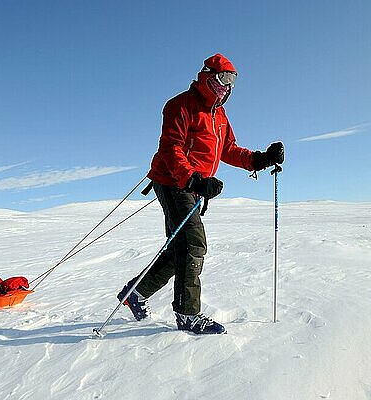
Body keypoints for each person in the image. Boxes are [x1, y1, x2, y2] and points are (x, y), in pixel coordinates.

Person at [117, 53, 284, 334]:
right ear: (207, 76)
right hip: (173, 181)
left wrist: (260, 159)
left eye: (232, 81)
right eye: (223, 78)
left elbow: (228, 149)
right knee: (193, 245)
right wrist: (193, 180)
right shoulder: (180, 105)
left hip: (192, 186)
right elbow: (171, 148)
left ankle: (136, 293)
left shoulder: (219, 114)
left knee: (180, 248)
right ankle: (188, 315)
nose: (227, 86)